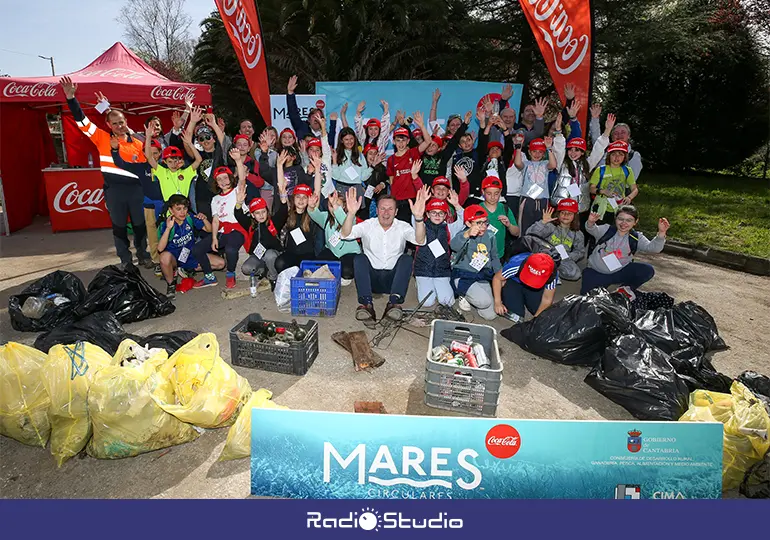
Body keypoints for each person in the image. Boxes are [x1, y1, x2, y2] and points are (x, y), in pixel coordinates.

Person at [59, 76, 150, 267]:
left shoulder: (139, 141)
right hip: (114, 191)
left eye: (121, 122)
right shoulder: (101, 137)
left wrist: (108, 109)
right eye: (115, 123)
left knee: (140, 227)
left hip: (136, 191)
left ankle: (143, 254)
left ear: (126, 121)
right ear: (108, 125)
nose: (119, 126)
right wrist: (71, 98)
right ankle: (125, 260)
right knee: (119, 228)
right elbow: (81, 120)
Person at [341, 189, 428, 322]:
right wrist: (351, 214)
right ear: (377, 211)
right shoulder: (368, 225)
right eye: (382, 208)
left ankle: (394, 303)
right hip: (371, 281)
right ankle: (366, 304)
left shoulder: (403, 226)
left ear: (396, 212)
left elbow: (420, 240)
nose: (386, 213)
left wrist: (418, 218)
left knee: (406, 259)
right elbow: (345, 234)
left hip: (393, 281)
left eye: (390, 209)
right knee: (359, 258)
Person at [109, 136, 165, 276]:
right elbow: (121, 163)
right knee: (152, 234)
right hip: (149, 205)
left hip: (165, 205)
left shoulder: (166, 165)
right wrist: (115, 150)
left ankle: (170, 260)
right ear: (144, 153)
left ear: (161, 153)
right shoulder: (140, 167)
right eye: (149, 153)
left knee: (166, 232)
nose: (153, 156)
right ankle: (156, 260)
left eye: (156, 152)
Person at [581, 206, 669, 294]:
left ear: (635, 222)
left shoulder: (636, 237)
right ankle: (600, 284)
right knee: (588, 300)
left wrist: (661, 233)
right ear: (615, 219)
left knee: (647, 270)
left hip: (619, 272)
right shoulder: (606, 230)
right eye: (620, 219)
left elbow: (654, 248)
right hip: (596, 272)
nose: (624, 223)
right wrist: (591, 222)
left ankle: (623, 291)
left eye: (629, 220)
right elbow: (592, 229)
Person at [192, 150, 247, 289]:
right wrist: (214, 237)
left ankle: (230, 273)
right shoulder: (215, 199)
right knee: (198, 248)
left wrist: (238, 161)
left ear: (230, 178)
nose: (223, 181)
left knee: (230, 249)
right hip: (222, 230)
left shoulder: (236, 191)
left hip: (236, 229)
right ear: (216, 182)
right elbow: (215, 220)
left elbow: (242, 179)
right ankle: (209, 276)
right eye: (219, 179)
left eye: (225, 177)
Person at [551, 111, 614, 223]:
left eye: (577, 150)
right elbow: (559, 148)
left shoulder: (587, 165)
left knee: (577, 235)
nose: (573, 153)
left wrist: (607, 131)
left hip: (580, 210)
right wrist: (558, 132)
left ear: (583, 152)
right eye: (570, 149)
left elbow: (598, 150)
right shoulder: (562, 163)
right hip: (562, 208)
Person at [157, 194, 222, 299]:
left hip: (190, 254)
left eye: (185, 208)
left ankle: (187, 270)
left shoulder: (189, 218)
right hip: (174, 258)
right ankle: (171, 284)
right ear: (171, 210)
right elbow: (160, 249)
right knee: (164, 257)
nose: (182, 212)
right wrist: (169, 228)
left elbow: (209, 230)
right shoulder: (166, 224)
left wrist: (204, 219)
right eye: (178, 209)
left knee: (220, 263)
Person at [413, 195, 465, 313]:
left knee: (448, 302)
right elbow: (416, 219)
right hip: (423, 270)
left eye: (441, 213)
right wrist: (421, 203)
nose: (437, 216)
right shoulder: (422, 226)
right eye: (433, 212)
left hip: (442, 270)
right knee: (427, 302)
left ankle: (436, 286)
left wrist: (457, 206)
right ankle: (420, 282)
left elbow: (463, 221)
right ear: (427, 214)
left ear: (445, 215)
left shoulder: (449, 228)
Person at [450, 205, 503, 320]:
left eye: (485, 222)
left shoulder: (490, 235)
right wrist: (467, 234)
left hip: (482, 275)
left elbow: (494, 256)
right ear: (469, 224)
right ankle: (463, 295)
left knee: (490, 315)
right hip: (464, 275)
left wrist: (500, 274)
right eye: (478, 223)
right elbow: (453, 246)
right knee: (484, 301)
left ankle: (475, 294)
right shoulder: (464, 234)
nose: (483, 226)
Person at [272, 159, 319, 275]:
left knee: (308, 271)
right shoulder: (288, 212)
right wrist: (279, 165)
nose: (301, 200)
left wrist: (317, 170)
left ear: (310, 199)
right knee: (279, 263)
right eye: (298, 197)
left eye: (305, 197)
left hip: (308, 255)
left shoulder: (312, 212)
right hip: (291, 254)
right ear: (293, 198)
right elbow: (282, 190)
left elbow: (317, 190)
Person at [308, 190, 361, 285]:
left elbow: (344, 222)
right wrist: (311, 207)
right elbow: (315, 215)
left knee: (347, 272)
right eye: (331, 205)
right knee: (317, 265)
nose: (334, 209)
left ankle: (341, 273)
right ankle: (335, 272)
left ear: (344, 206)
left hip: (350, 253)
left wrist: (336, 208)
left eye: (337, 205)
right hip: (332, 252)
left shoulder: (350, 218)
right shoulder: (326, 218)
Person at [525, 198, 585, 281]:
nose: (565, 215)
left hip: (563, 259)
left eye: (569, 213)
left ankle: (553, 273)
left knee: (575, 274)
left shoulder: (578, 234)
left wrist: (568, 256)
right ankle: (547, 273)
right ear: (558, 214)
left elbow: (580, 252)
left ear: (575, 216)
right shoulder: (551, 226)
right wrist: (543, 222)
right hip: (545, 256)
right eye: (563, 212)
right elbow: (530, 234)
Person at [146, 118, 203, 203]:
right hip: (169, 208)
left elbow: (199, 160)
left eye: (175, 160)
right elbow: (149, 157)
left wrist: (190, 144)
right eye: (170, 161)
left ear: (180, 160)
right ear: (165, 161)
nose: (173, 164)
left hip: (183, 207)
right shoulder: (162, 171)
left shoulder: (186, 172)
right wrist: (148, 137)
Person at [387, 113, 431, 223]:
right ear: (394, 141)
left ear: (408, 141)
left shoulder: (413, 153)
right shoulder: (391, 160)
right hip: (397, 199)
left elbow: (428, 142)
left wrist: (422, 125)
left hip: (413, 198)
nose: (401, 143)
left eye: (403, 140)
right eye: (398, 140)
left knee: (412, 229)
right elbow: (392, 181)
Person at [492, 252, 558, 323]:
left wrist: (534, 321)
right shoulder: (516, 265)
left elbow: (547, 299)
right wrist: (497, 302)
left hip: (536, 288)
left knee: (541, 311)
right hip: (515, 282)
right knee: (515, 314)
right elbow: (497, 278)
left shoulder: (551, 275)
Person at [514, 136, 557, 237]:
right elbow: (517, 163)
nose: (537, 154)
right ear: (529, 152)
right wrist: (518, 148)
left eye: (540, 152)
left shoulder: (545, 164)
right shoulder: (526, 164)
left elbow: (553, 165)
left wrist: (549, 148)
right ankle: (524, 249)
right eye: (534, 151)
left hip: (542, 201)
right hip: (527, 200)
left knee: (542, 228)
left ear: (544, 153)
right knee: (524, 228)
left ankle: (538, 250)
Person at [236, 197, 282, 288]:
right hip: (258, 256)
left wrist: (283, 197)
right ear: (252, 215)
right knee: (246, 268)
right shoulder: (250, 225)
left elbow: (283, 213)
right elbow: (238, 215)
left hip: (273, 255)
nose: (261, 215)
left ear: (267, 211)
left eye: (263, 211)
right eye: (257, 213)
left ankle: (273, 277)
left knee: (270, 255)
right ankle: (264, 271)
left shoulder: (274, 222)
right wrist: (239, 203)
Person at [589, 140, 639, 224]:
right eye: (613, 154)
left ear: (625, 157)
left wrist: (629, 197)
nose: (617, 157)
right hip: (601, 208)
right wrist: (602, 191)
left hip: (618, 208)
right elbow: (591, 188)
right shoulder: (601, 170)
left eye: (620, 155)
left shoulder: (627, 170)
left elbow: (635, 189)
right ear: (609, 156)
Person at [589, 104, 643, 180]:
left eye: (623, 132)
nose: (619, 135)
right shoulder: (604, 148)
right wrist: (595, 118)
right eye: (616, 133)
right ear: (612, 136)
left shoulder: (633, 155)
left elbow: (631, 181)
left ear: (629, 135)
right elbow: (596, 138)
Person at [478, 174, 519, 260]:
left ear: (500, 192)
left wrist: (509, 225)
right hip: (479, 254)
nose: (493, 197)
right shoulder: (477, 209)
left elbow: (516, 233)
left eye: (496, 194)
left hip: (499, 255)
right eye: (489, 193)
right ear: (483, 192)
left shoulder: (505, 209)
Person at [332, 127, 372, 199]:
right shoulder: (336, 154)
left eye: (351, 139)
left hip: (357, 189)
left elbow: (363, 177)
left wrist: (372, 167)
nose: (349, 142)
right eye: (346, 139)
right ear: (341, 140)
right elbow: (335, 176)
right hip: (341, 188)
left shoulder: (360, 155)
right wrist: (334, 160)